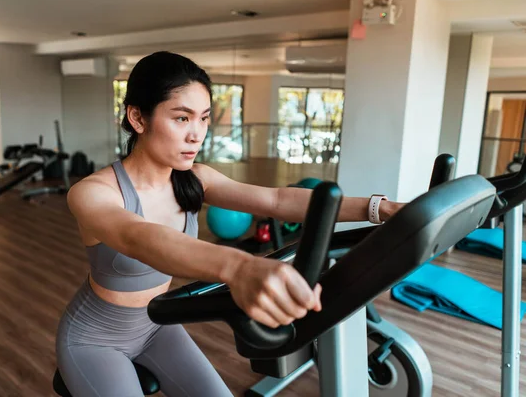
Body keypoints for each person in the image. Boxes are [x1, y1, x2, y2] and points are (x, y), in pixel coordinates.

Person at [55, 51, 404, 397]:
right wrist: (239, 268)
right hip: (94, 340)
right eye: (181, 118)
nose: (197, 134)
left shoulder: (194, 178)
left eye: (204, 118)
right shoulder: (92, 193)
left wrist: (379, 208)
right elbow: (137, 237)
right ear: (137, 117)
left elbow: (277, 200)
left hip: (158, 326)